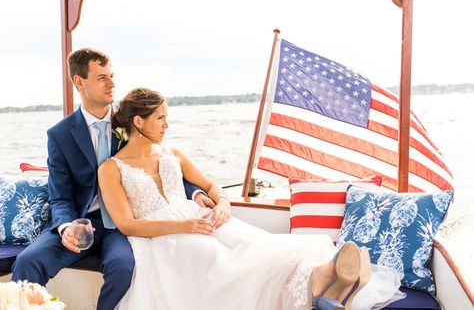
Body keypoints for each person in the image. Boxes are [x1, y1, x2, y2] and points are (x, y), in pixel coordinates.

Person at [98, 87, 403, 310]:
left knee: (258, 243)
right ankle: (320, 283)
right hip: (164, 237)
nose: (167, 124)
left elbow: (209, 184)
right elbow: (127, 224)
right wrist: (185, 226)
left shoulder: (173, 153)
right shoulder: (111, 168)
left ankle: (323, 283)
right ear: (139, 122)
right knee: (221, 260)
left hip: (199, 219)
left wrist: (223, 203)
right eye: (160, 118)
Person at [11, 49, 211, 310]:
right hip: (80, 222)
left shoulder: (131, 121)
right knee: (28, 261)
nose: (112, 84)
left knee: (123, 268)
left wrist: (195, 192)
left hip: (121, 224)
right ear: (79, 82)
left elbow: (164, 164)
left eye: (112, 76)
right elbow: (60, 195)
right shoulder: (59, 134)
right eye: (102, 77)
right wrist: (66, 228)